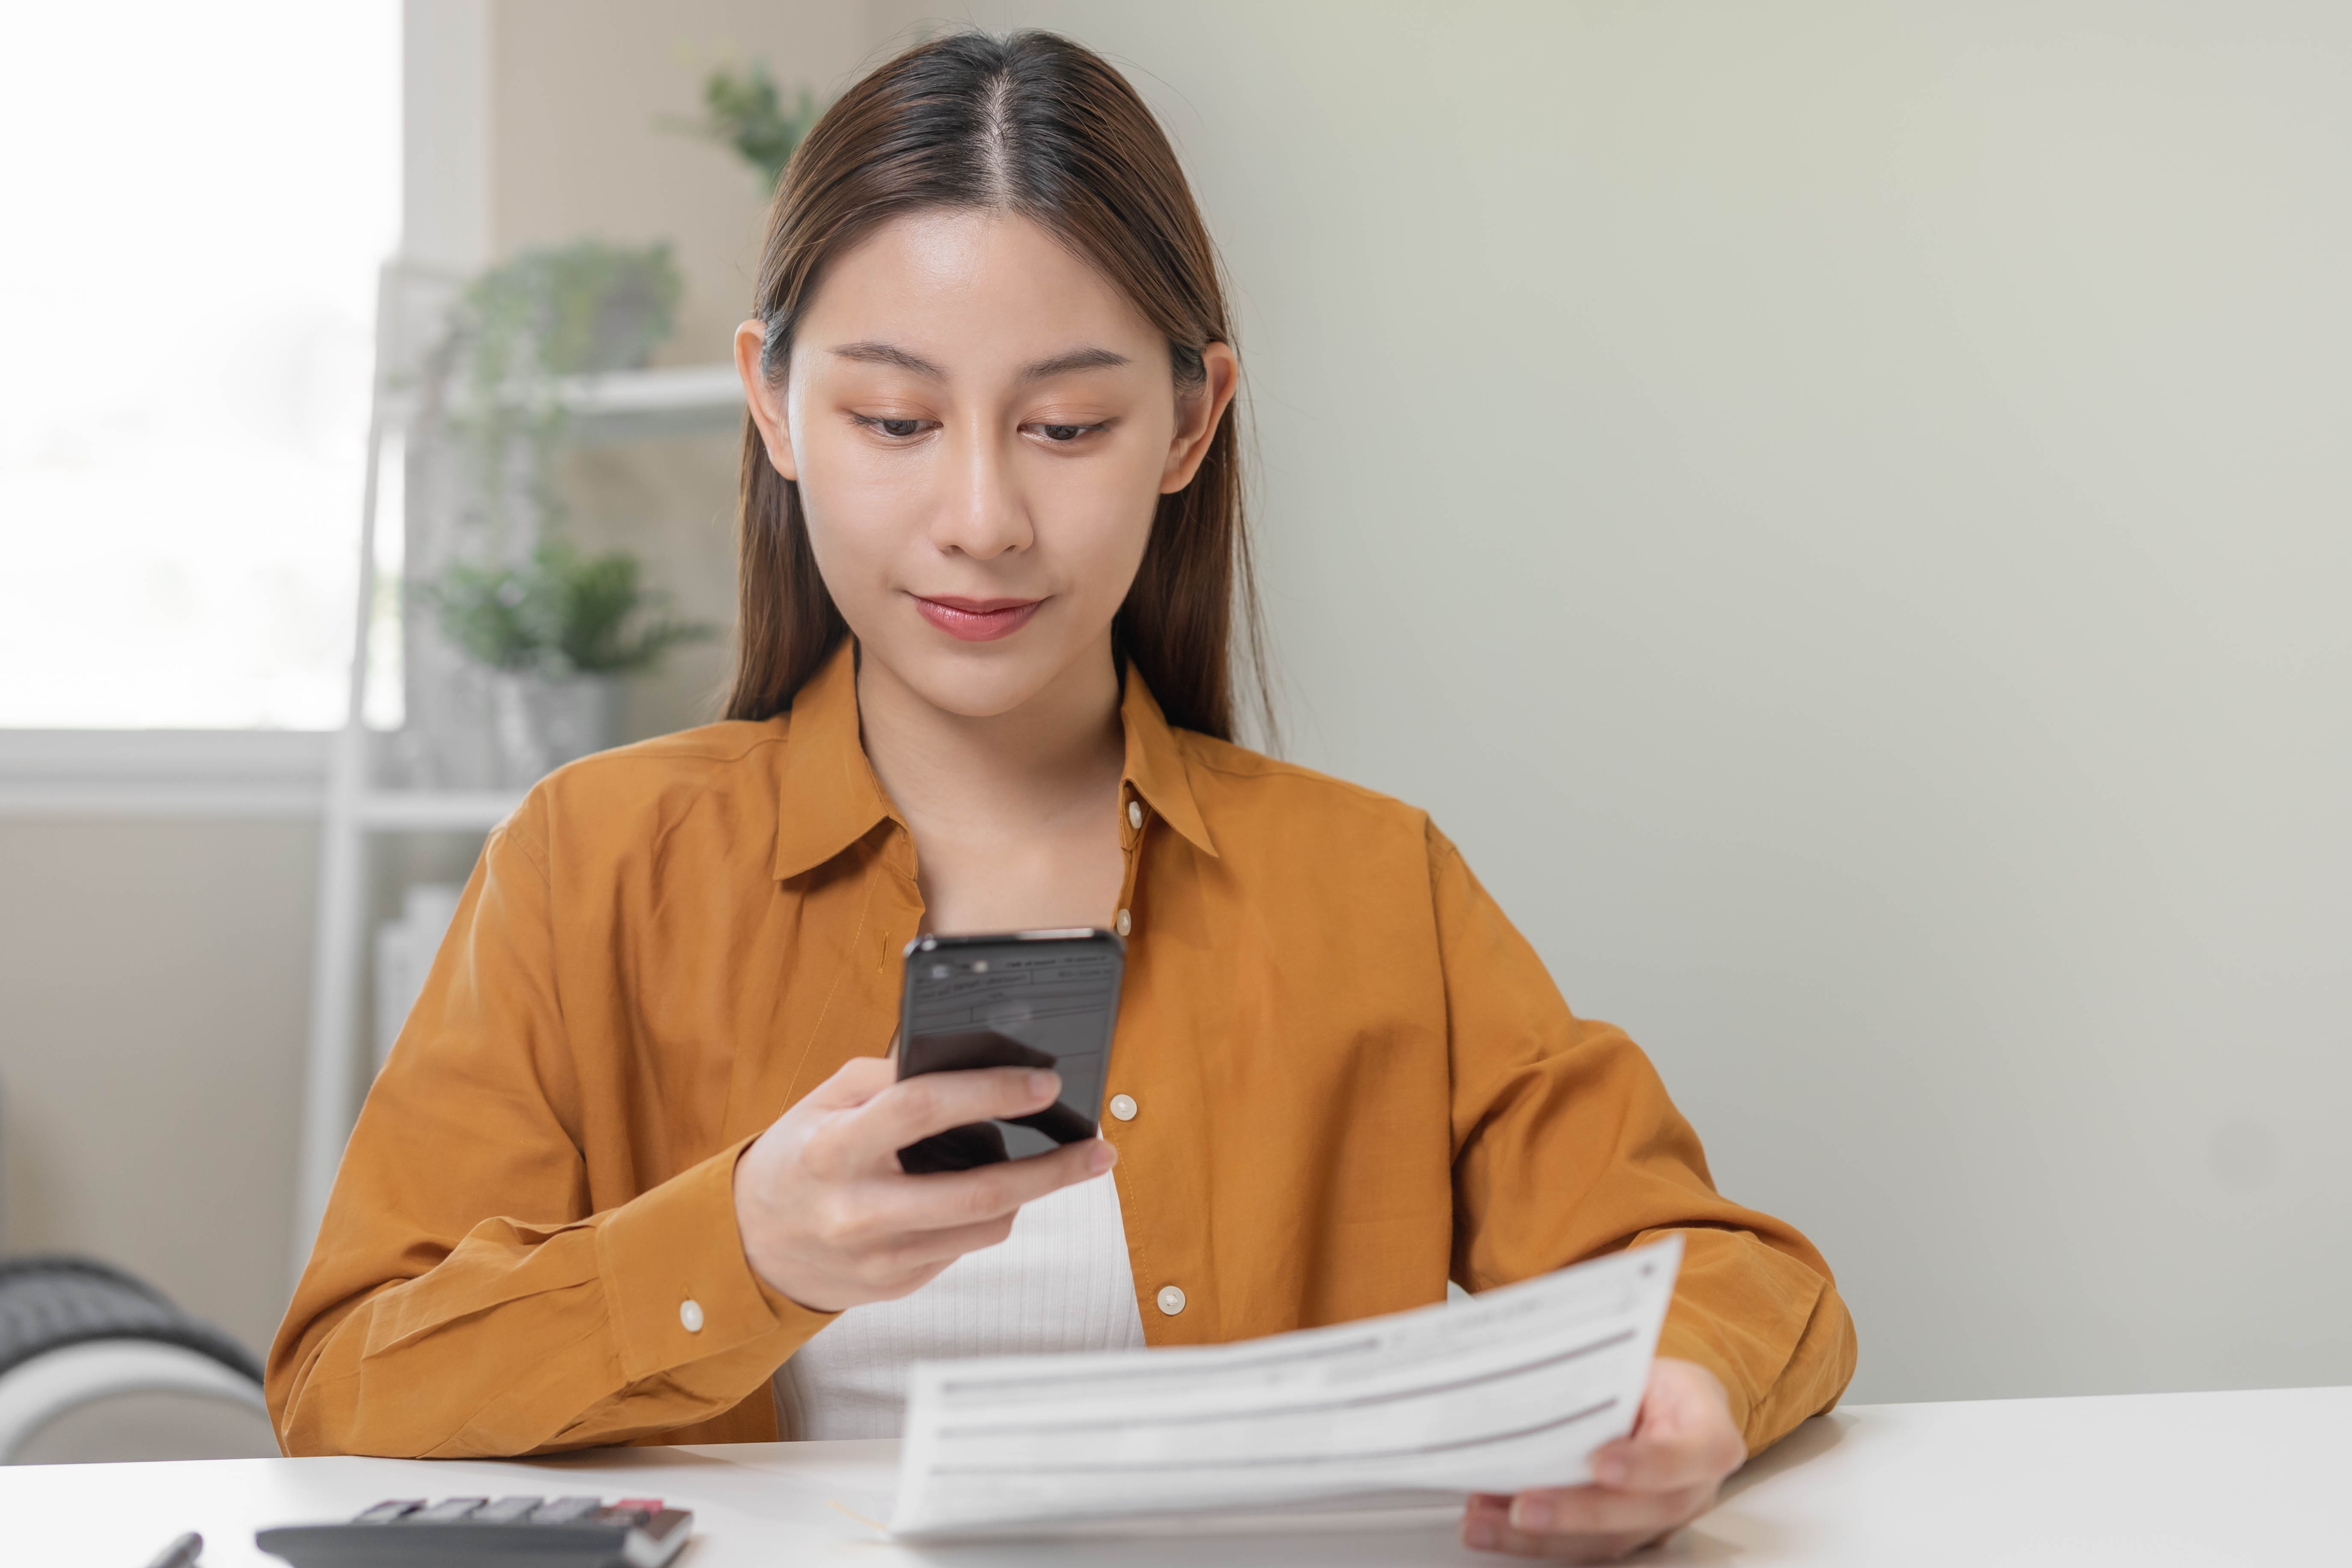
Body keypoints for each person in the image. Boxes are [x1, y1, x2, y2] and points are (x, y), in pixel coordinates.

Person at [269, 29, 1856, 1561]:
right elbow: (349, 1380)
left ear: (1189, 421)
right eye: (894, 421)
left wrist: (1681, 1405)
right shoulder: (593, 862)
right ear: (772, 405)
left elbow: (1719, 1273)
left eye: (1067, 427)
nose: (983, 517)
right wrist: (739, 1246)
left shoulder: (1371, 886)